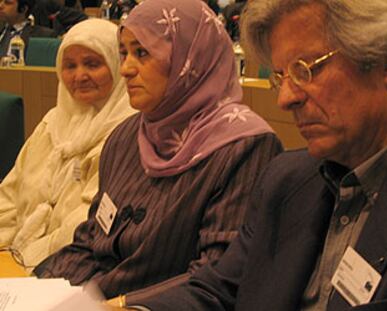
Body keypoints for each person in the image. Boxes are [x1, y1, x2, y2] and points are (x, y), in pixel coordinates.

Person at [125, 0, 387, 310]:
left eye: (306, 70)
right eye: (280, 77)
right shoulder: (287, 180)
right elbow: (217, 291)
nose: (285, 99)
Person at [33, 0, 282, 307]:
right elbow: (90, 241)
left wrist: (124, 304)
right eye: (124, 52)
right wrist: (38, 289)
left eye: (142, 53)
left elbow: (219, 273)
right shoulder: (126, 135)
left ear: (190, 57)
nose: (125, 69)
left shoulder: (242, 146)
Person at [0, 18, 135, 270]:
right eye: (69, 65)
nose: (79, 75)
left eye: (92, 64)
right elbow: (9, 195)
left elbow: (86, 224)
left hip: (67, 269)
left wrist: (22, 261)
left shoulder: (127, 133)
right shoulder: (52, 123)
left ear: (117, 66)